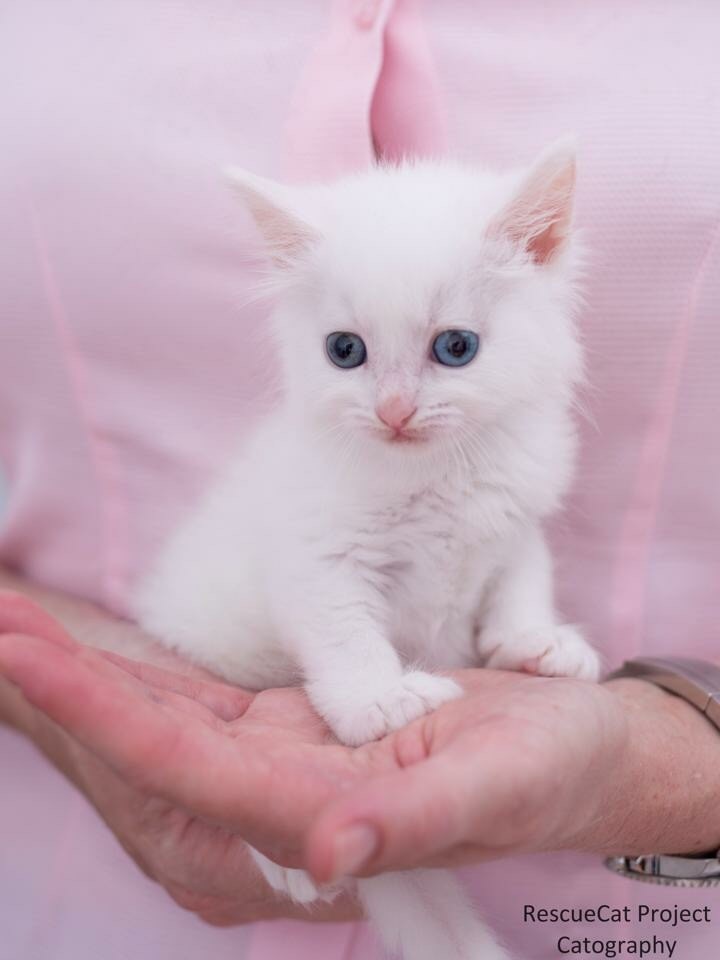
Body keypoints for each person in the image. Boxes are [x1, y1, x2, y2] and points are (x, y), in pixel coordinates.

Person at [1, 2, 719, 958]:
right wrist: (356, 687)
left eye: (451, 348)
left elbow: (509, 532)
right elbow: (319, 566)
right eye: (346, 351)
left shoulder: (525, 430)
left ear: (542, 249)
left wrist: (525, 631)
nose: (394, 408)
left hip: (628, 915)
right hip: (164, 768)